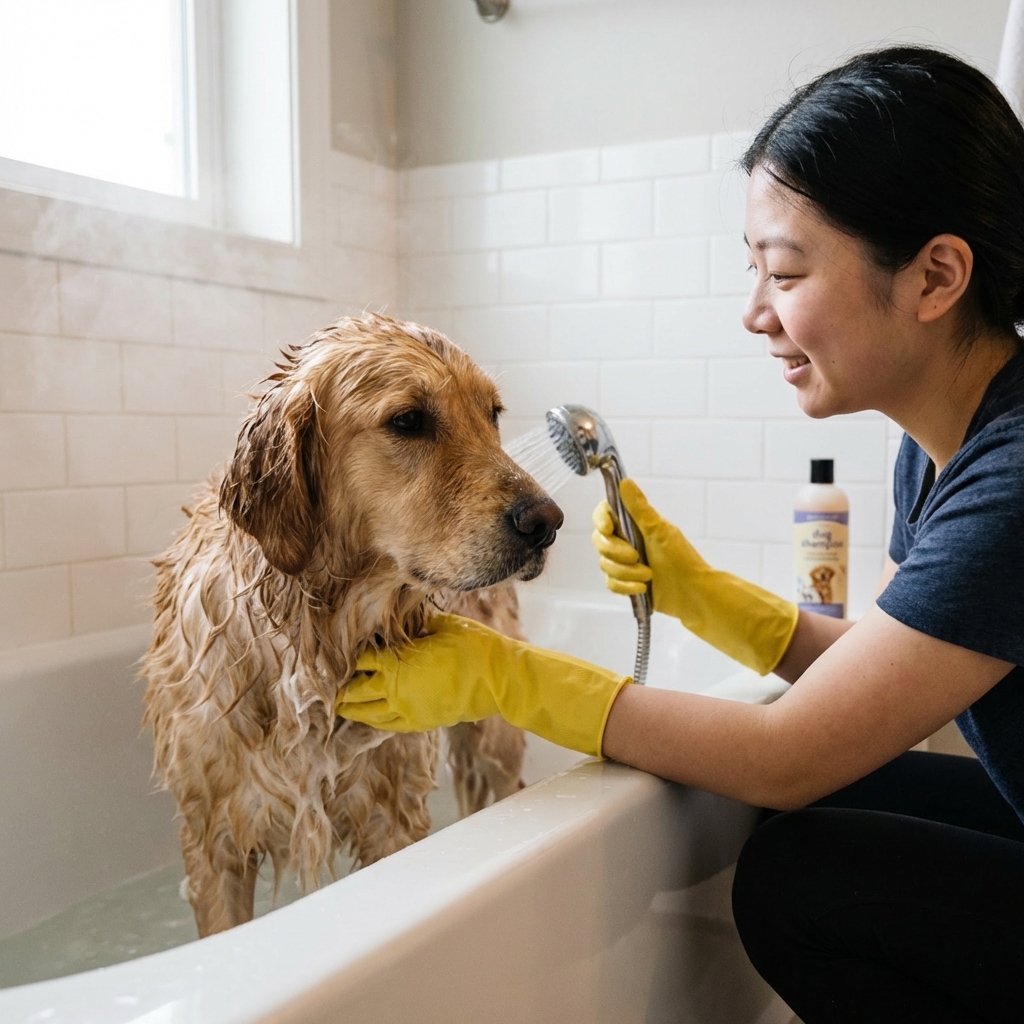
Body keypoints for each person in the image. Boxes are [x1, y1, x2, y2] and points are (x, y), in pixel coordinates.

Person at [337, 47, 1024, 1021]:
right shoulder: (942, 446)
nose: (754, 313)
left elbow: (788, 751)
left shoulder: (1010, 475)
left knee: (801, 876)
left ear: (935, 275)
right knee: (817, 812)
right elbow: (878, 678)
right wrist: (699, 590)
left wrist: (504, 676)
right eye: (753, 270)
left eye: (782, 271)